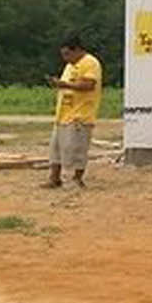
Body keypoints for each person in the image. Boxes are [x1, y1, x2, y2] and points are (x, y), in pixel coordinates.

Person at [45, 34, 103, 188]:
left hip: (80, 115)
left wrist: (65, 85)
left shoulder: (90, 63)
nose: (65, 58)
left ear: (77, 50)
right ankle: (54, 178)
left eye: (67, 54)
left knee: (76, 149)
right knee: (56, 149)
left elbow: (89, 85)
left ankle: (76, 179)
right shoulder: (70, 66)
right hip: (63, 114)